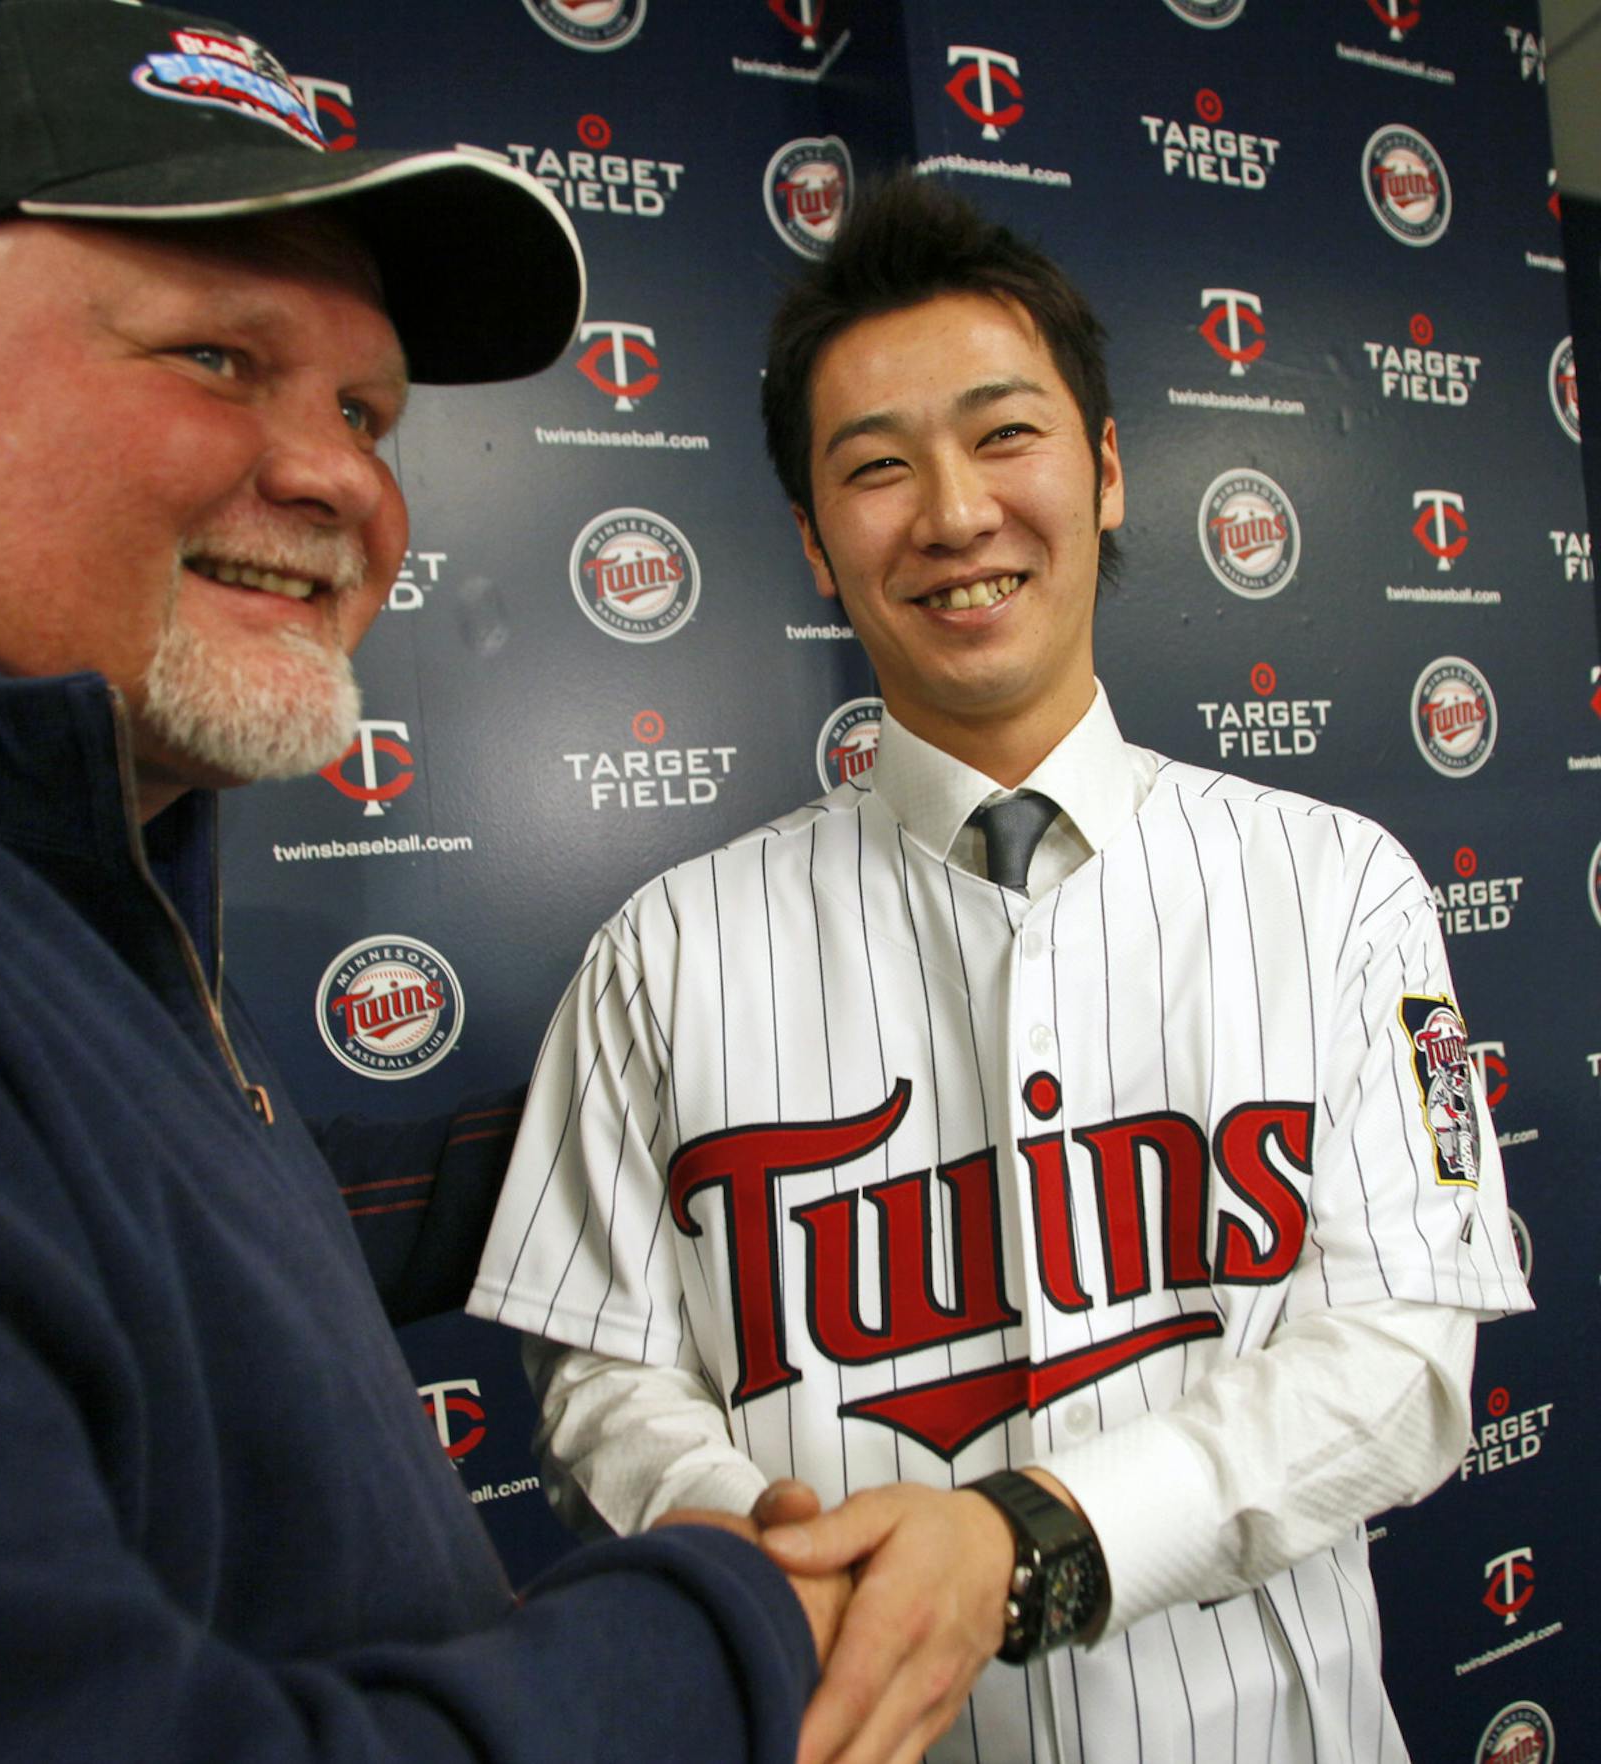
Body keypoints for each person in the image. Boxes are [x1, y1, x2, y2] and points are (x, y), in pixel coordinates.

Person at [0, 6, 863, 1759]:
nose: (341, 471)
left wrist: (644, 1132)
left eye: (364, 404)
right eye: (215, 359)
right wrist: (749, 1633)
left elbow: (106, 1224)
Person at [469, 173, 1531, 1764]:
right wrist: (784, 1561)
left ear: (1105, 472)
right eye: (877, 469)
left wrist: (1029, 1543)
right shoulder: (661, 953)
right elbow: (606, 1383)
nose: (954, 513)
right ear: (819, 546)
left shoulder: (1339, 887)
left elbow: (1400, 1363)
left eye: (1005, 435)